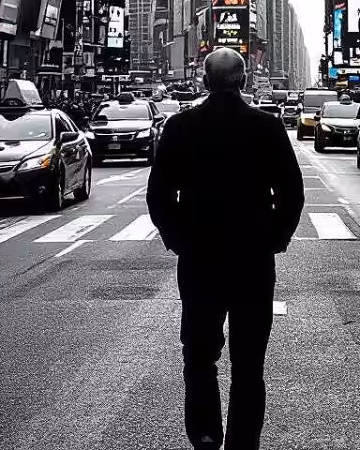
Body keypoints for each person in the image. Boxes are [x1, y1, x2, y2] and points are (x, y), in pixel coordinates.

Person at [146, 48, 305, 450]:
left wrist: (177, 238)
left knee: (199, 356)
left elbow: (158, 195)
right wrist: (276, 238)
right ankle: (241, 443)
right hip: (253, 259)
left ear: (204, 81)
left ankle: (205, 436)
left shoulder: (180, 127)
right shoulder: (266, 127)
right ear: (244, 80)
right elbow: (292, 193)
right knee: (249, 364)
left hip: (199, 257)